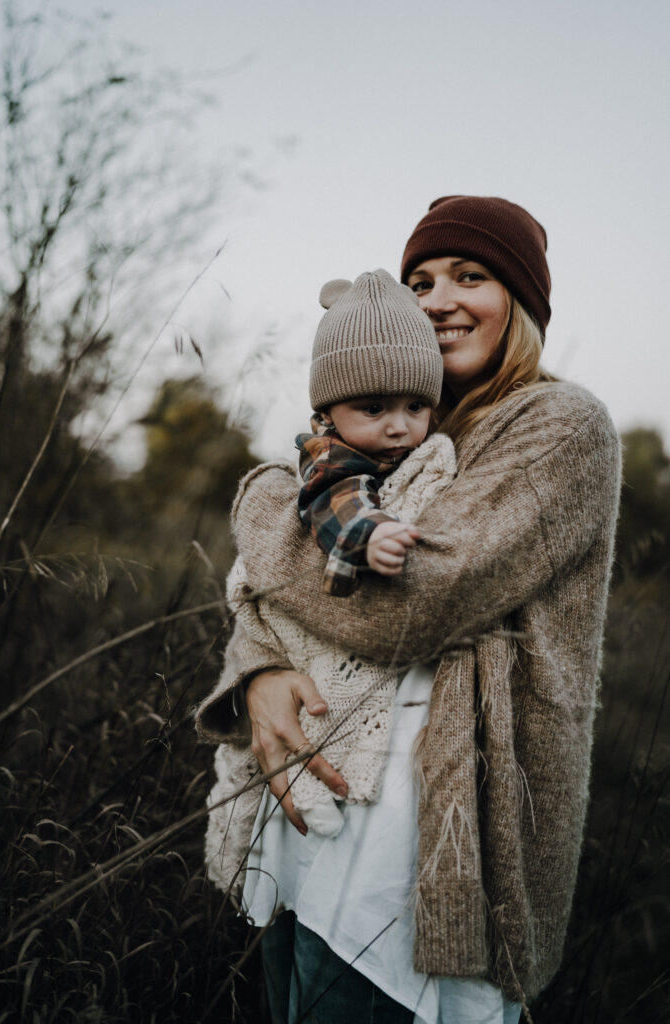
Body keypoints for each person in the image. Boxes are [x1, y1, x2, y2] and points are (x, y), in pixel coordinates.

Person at [195, 195, 622, 1024]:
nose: (438, 299)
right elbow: (264, 606)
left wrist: (259, 505)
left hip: (427, 837)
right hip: (313, 805)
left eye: (471, 276)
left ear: (523, 302)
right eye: (418, 280)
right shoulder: (390, 430)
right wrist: (259, 674)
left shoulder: (561, 426)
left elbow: (405, 609)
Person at [200, 269, 456, 888]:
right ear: (327, 413)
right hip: (316, 659)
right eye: (375, 408)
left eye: (416, 407)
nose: (400, 426)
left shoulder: (392, 451)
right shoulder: (330, 458)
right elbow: (339, 509)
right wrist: (374, 538)